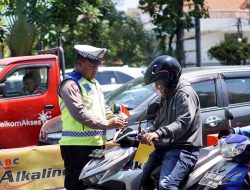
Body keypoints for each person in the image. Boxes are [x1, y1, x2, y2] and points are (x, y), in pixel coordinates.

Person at [58, 44, 127, 190]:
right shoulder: (70, 84)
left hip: (97, 144)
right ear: (79, 63)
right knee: (76, 185)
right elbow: (80, 113)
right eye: (92, 65)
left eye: (97, 65)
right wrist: (107, 124)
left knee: (94, 184)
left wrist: (115, 118)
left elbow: (103, 107)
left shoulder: (94, 83)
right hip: (77, 147)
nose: (95, 69)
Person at [140, 55, 203, 190]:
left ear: (169, 79)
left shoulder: (184, 93)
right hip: (165, 146)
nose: (157, 87)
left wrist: (158, 133)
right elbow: (160, 122)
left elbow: (183, 122)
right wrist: (147, 132)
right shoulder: (167, 95)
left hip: (183, 149)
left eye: (158, 83)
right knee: (142, 178)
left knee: (166, 185)